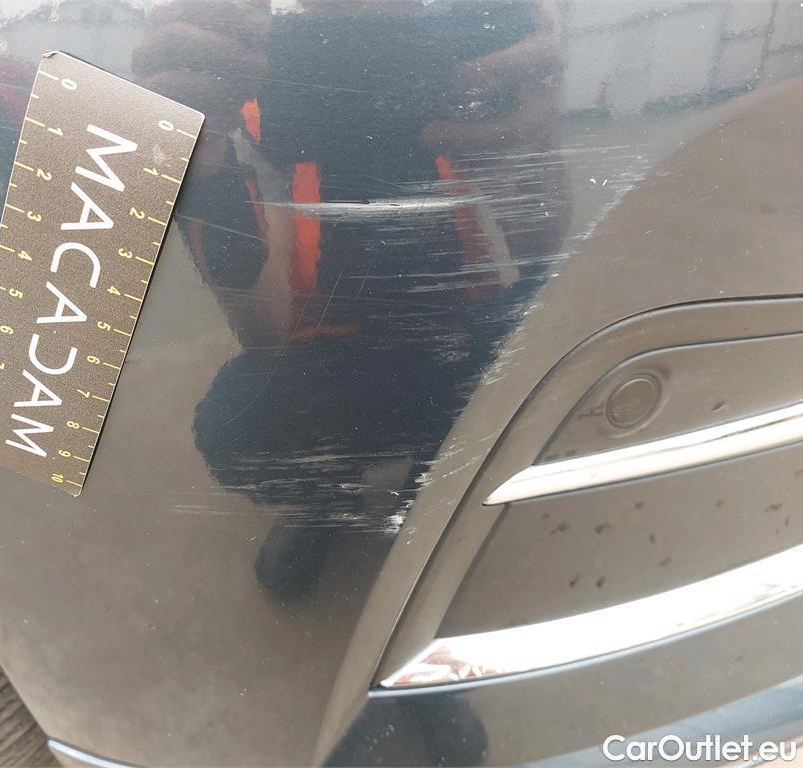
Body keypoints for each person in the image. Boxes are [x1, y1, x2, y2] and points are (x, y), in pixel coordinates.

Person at [134, 0, 570, 600]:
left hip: (457, 339)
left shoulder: (467, 83)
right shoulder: (260, 106)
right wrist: (206, 177)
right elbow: (265, 335)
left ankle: (433, 480)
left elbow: (537, 261)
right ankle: (325, 495)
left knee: (540, 347)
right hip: (338, 352)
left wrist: (532, 137)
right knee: (237, 422)